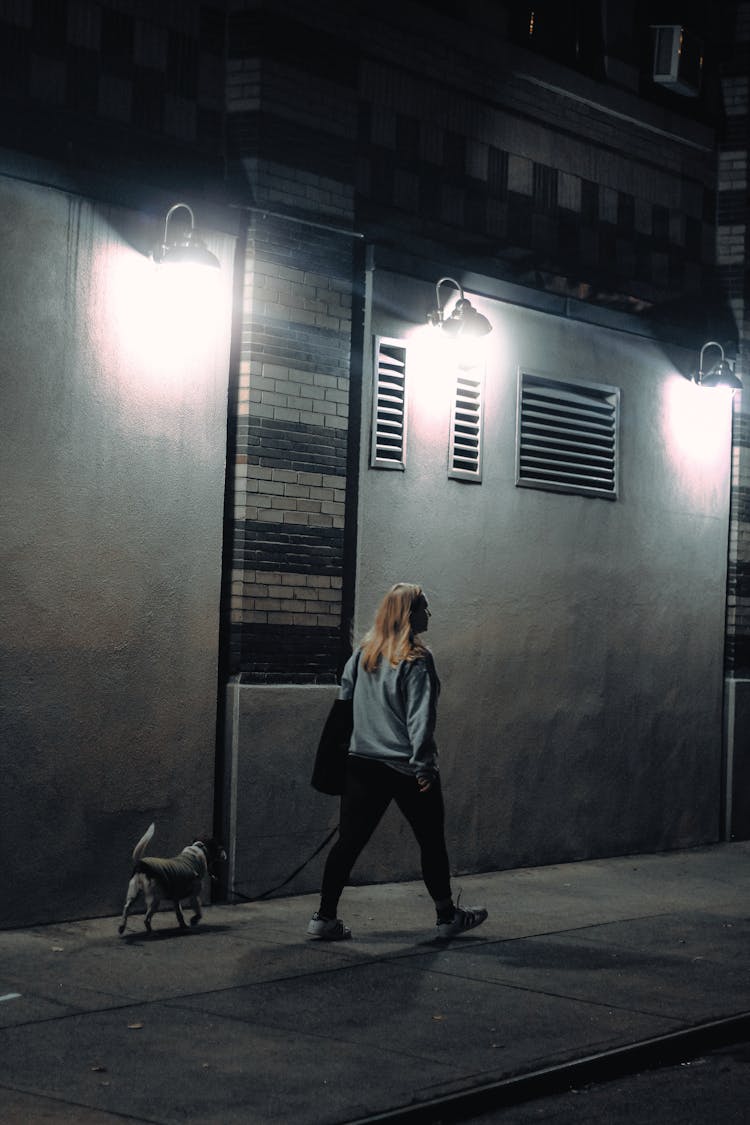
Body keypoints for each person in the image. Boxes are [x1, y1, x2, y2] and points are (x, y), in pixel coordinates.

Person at [307, 582, 488, 941]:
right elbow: (419, 721)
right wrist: (424, 766)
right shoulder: (416, 660)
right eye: (425, 607)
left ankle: (323, 918)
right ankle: (445, 915)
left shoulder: (361, 656)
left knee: (348, 843)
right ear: (410, 614)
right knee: (431, 840)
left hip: (361, 765)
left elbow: (344, 707)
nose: (429, 614)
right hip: (406, 768)